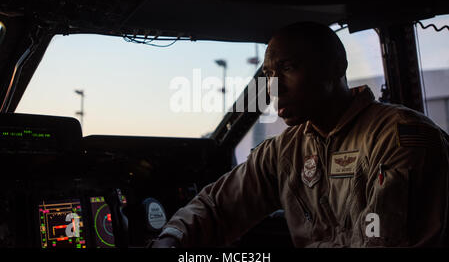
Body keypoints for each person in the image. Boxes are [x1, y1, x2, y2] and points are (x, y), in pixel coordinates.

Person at [151, 22, 449, 248]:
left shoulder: (399, 139)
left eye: (288, 68)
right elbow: (217, 207)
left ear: (336, 68)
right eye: (268, 74)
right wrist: (171, 239)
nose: (274, 87)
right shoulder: (286, 150)